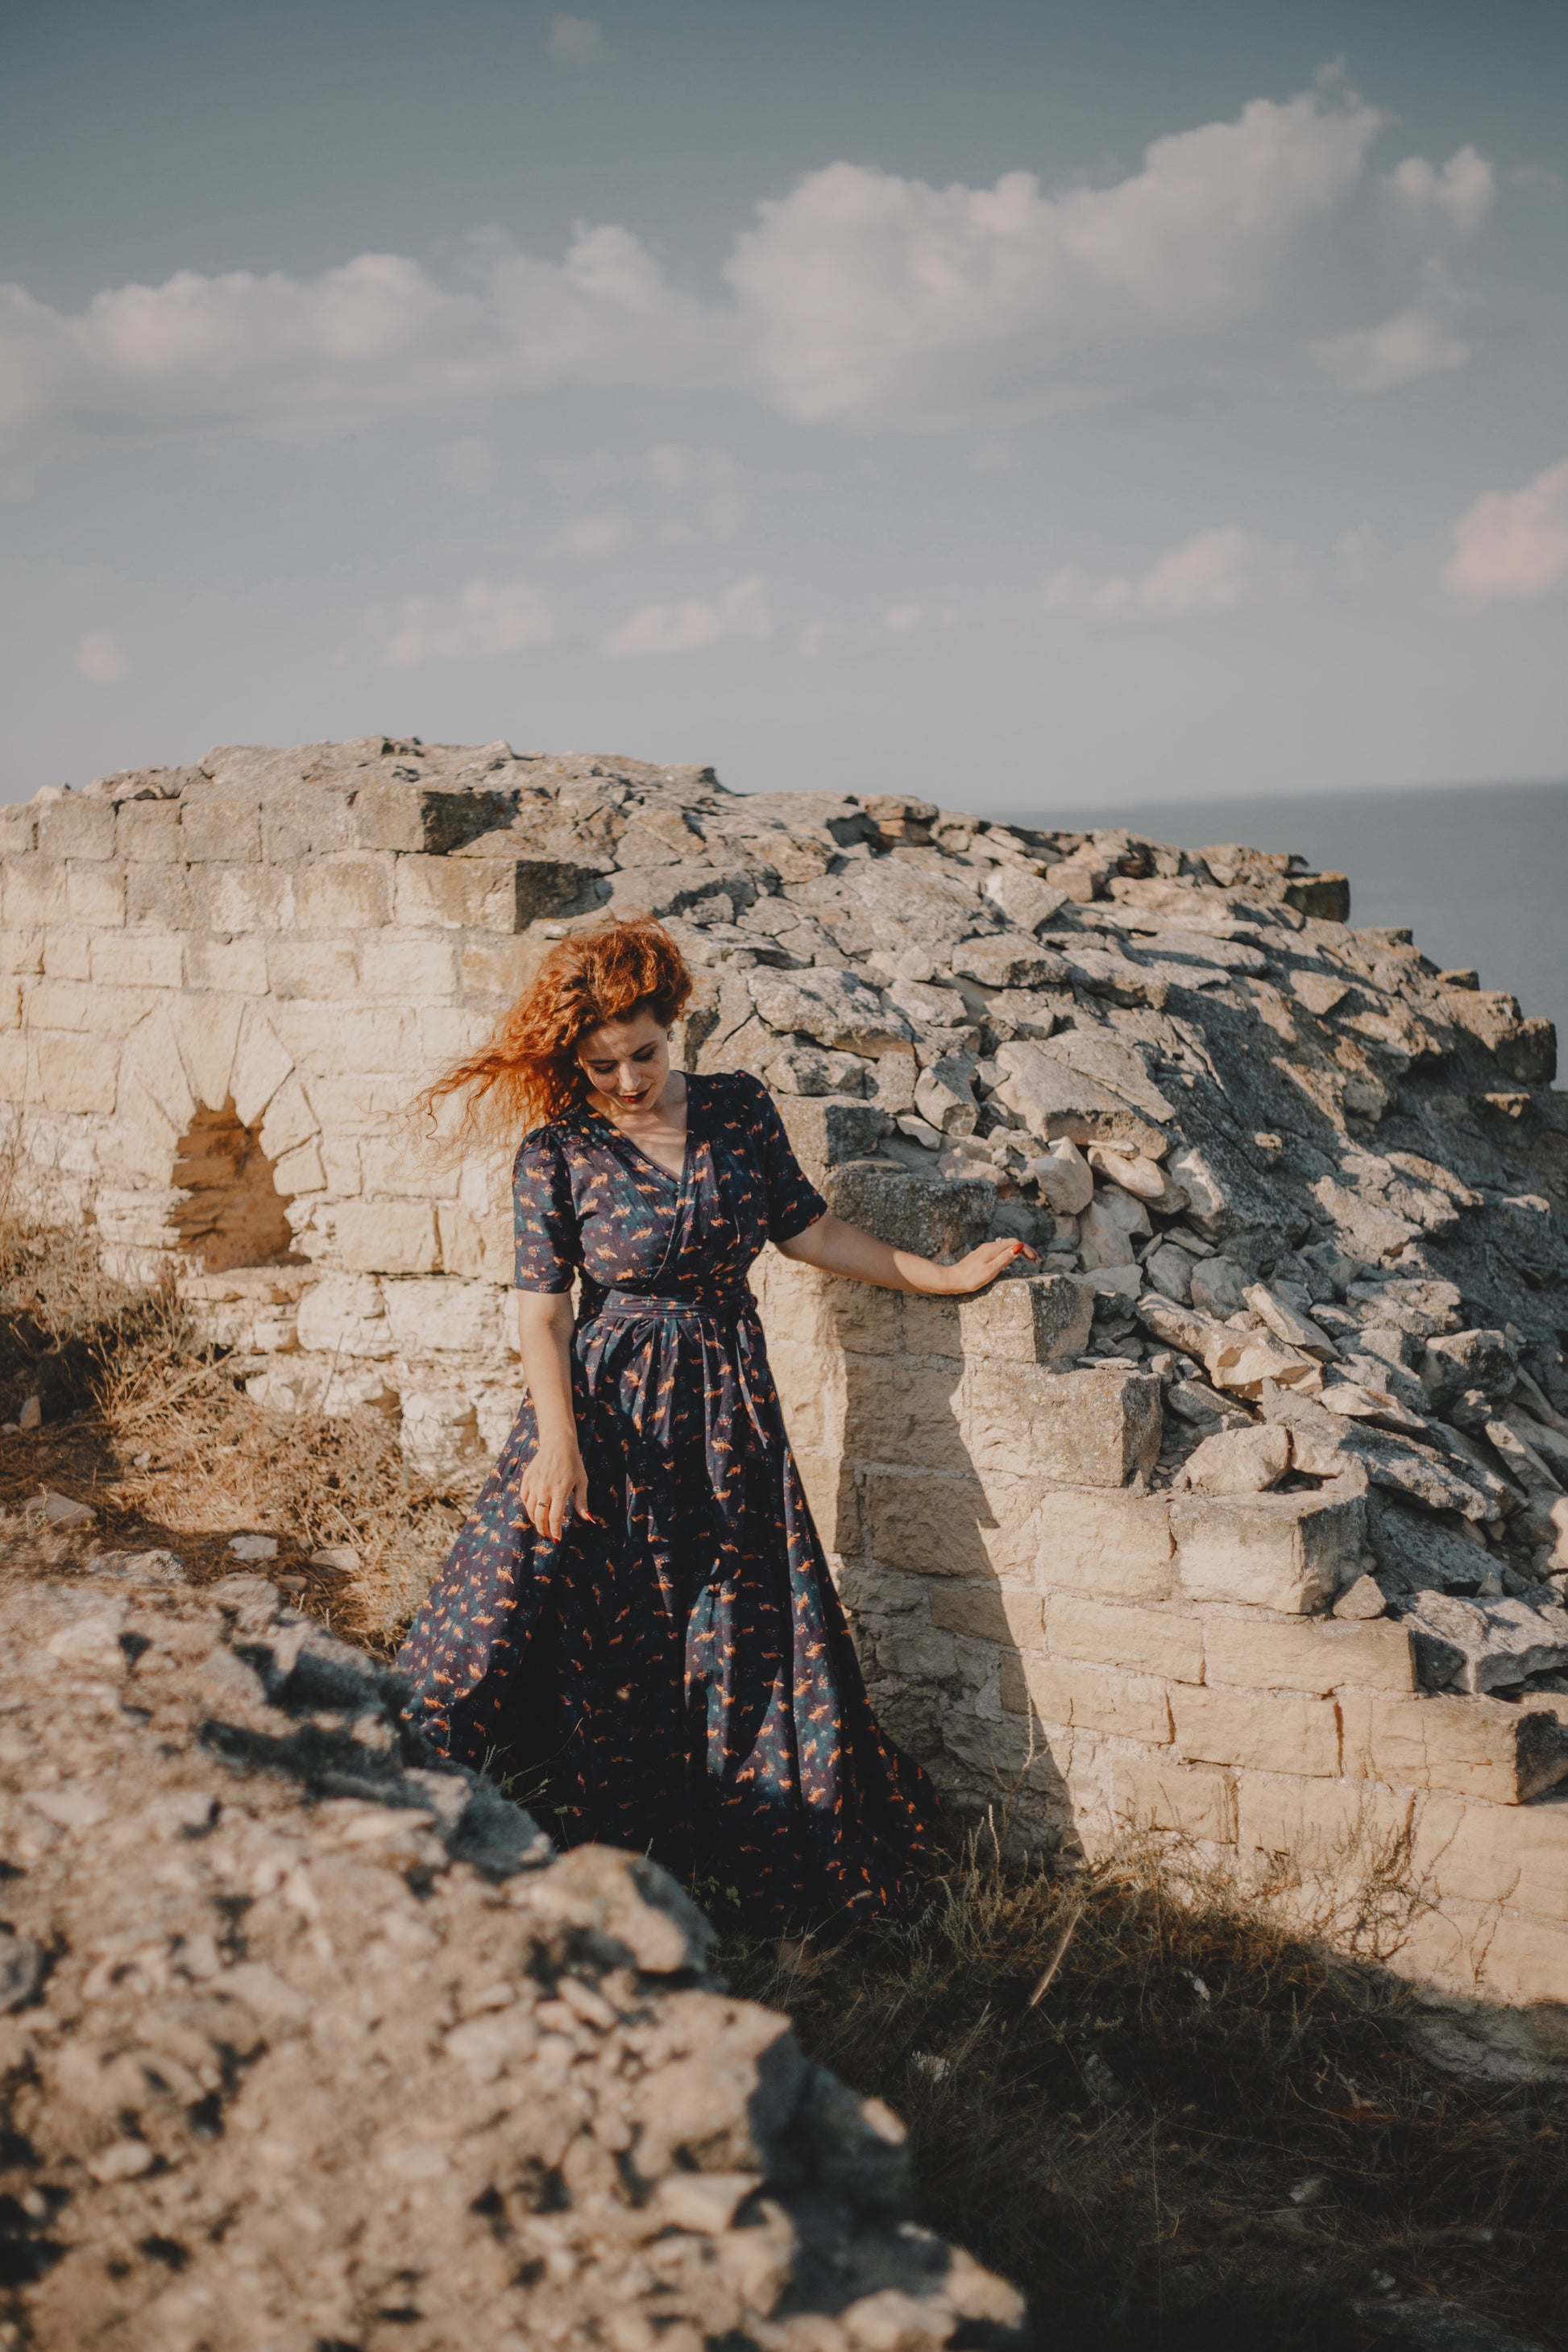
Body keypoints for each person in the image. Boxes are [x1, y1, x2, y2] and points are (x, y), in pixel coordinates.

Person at [396, 914, 1035, 1939]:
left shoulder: (738, 1110)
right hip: (605, 1408)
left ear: (673, 1023)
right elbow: (543, 1309)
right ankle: (528, 1834)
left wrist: (947, 1276)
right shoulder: (556, 1152)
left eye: (643, 1053)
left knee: (731, 1621)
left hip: (724, 1408)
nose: (627, 1081)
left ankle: (728, 1844)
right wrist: (556, 1441)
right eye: (600, 1064)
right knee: (550, 1613)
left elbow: (810, 1231)